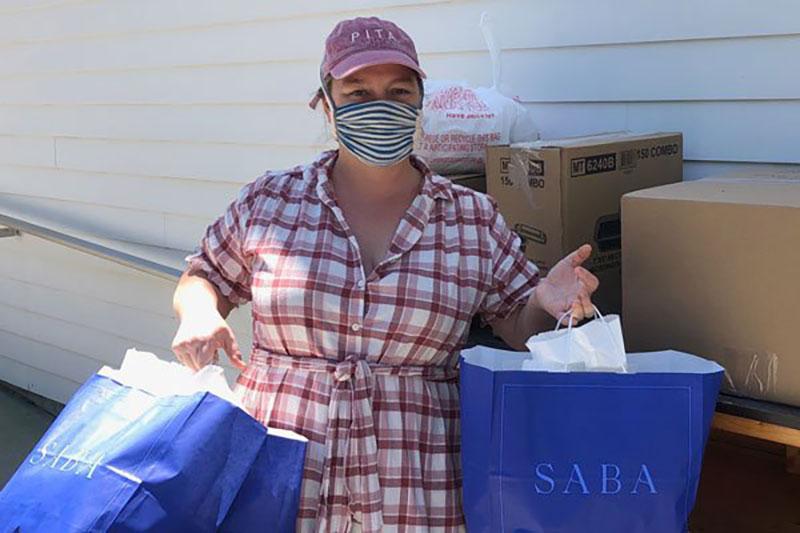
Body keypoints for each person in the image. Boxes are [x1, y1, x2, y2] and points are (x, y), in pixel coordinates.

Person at [171, 16, 598, 533]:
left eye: (398, 91)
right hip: (279, 470)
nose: (380, 106)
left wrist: (547, 301)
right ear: (325, 105)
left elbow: (517, 322)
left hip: (419, 483)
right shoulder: (271, 201)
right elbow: (205, 275)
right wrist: (197, 312)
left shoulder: (470, 216)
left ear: (420, 103)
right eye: (356, 92)